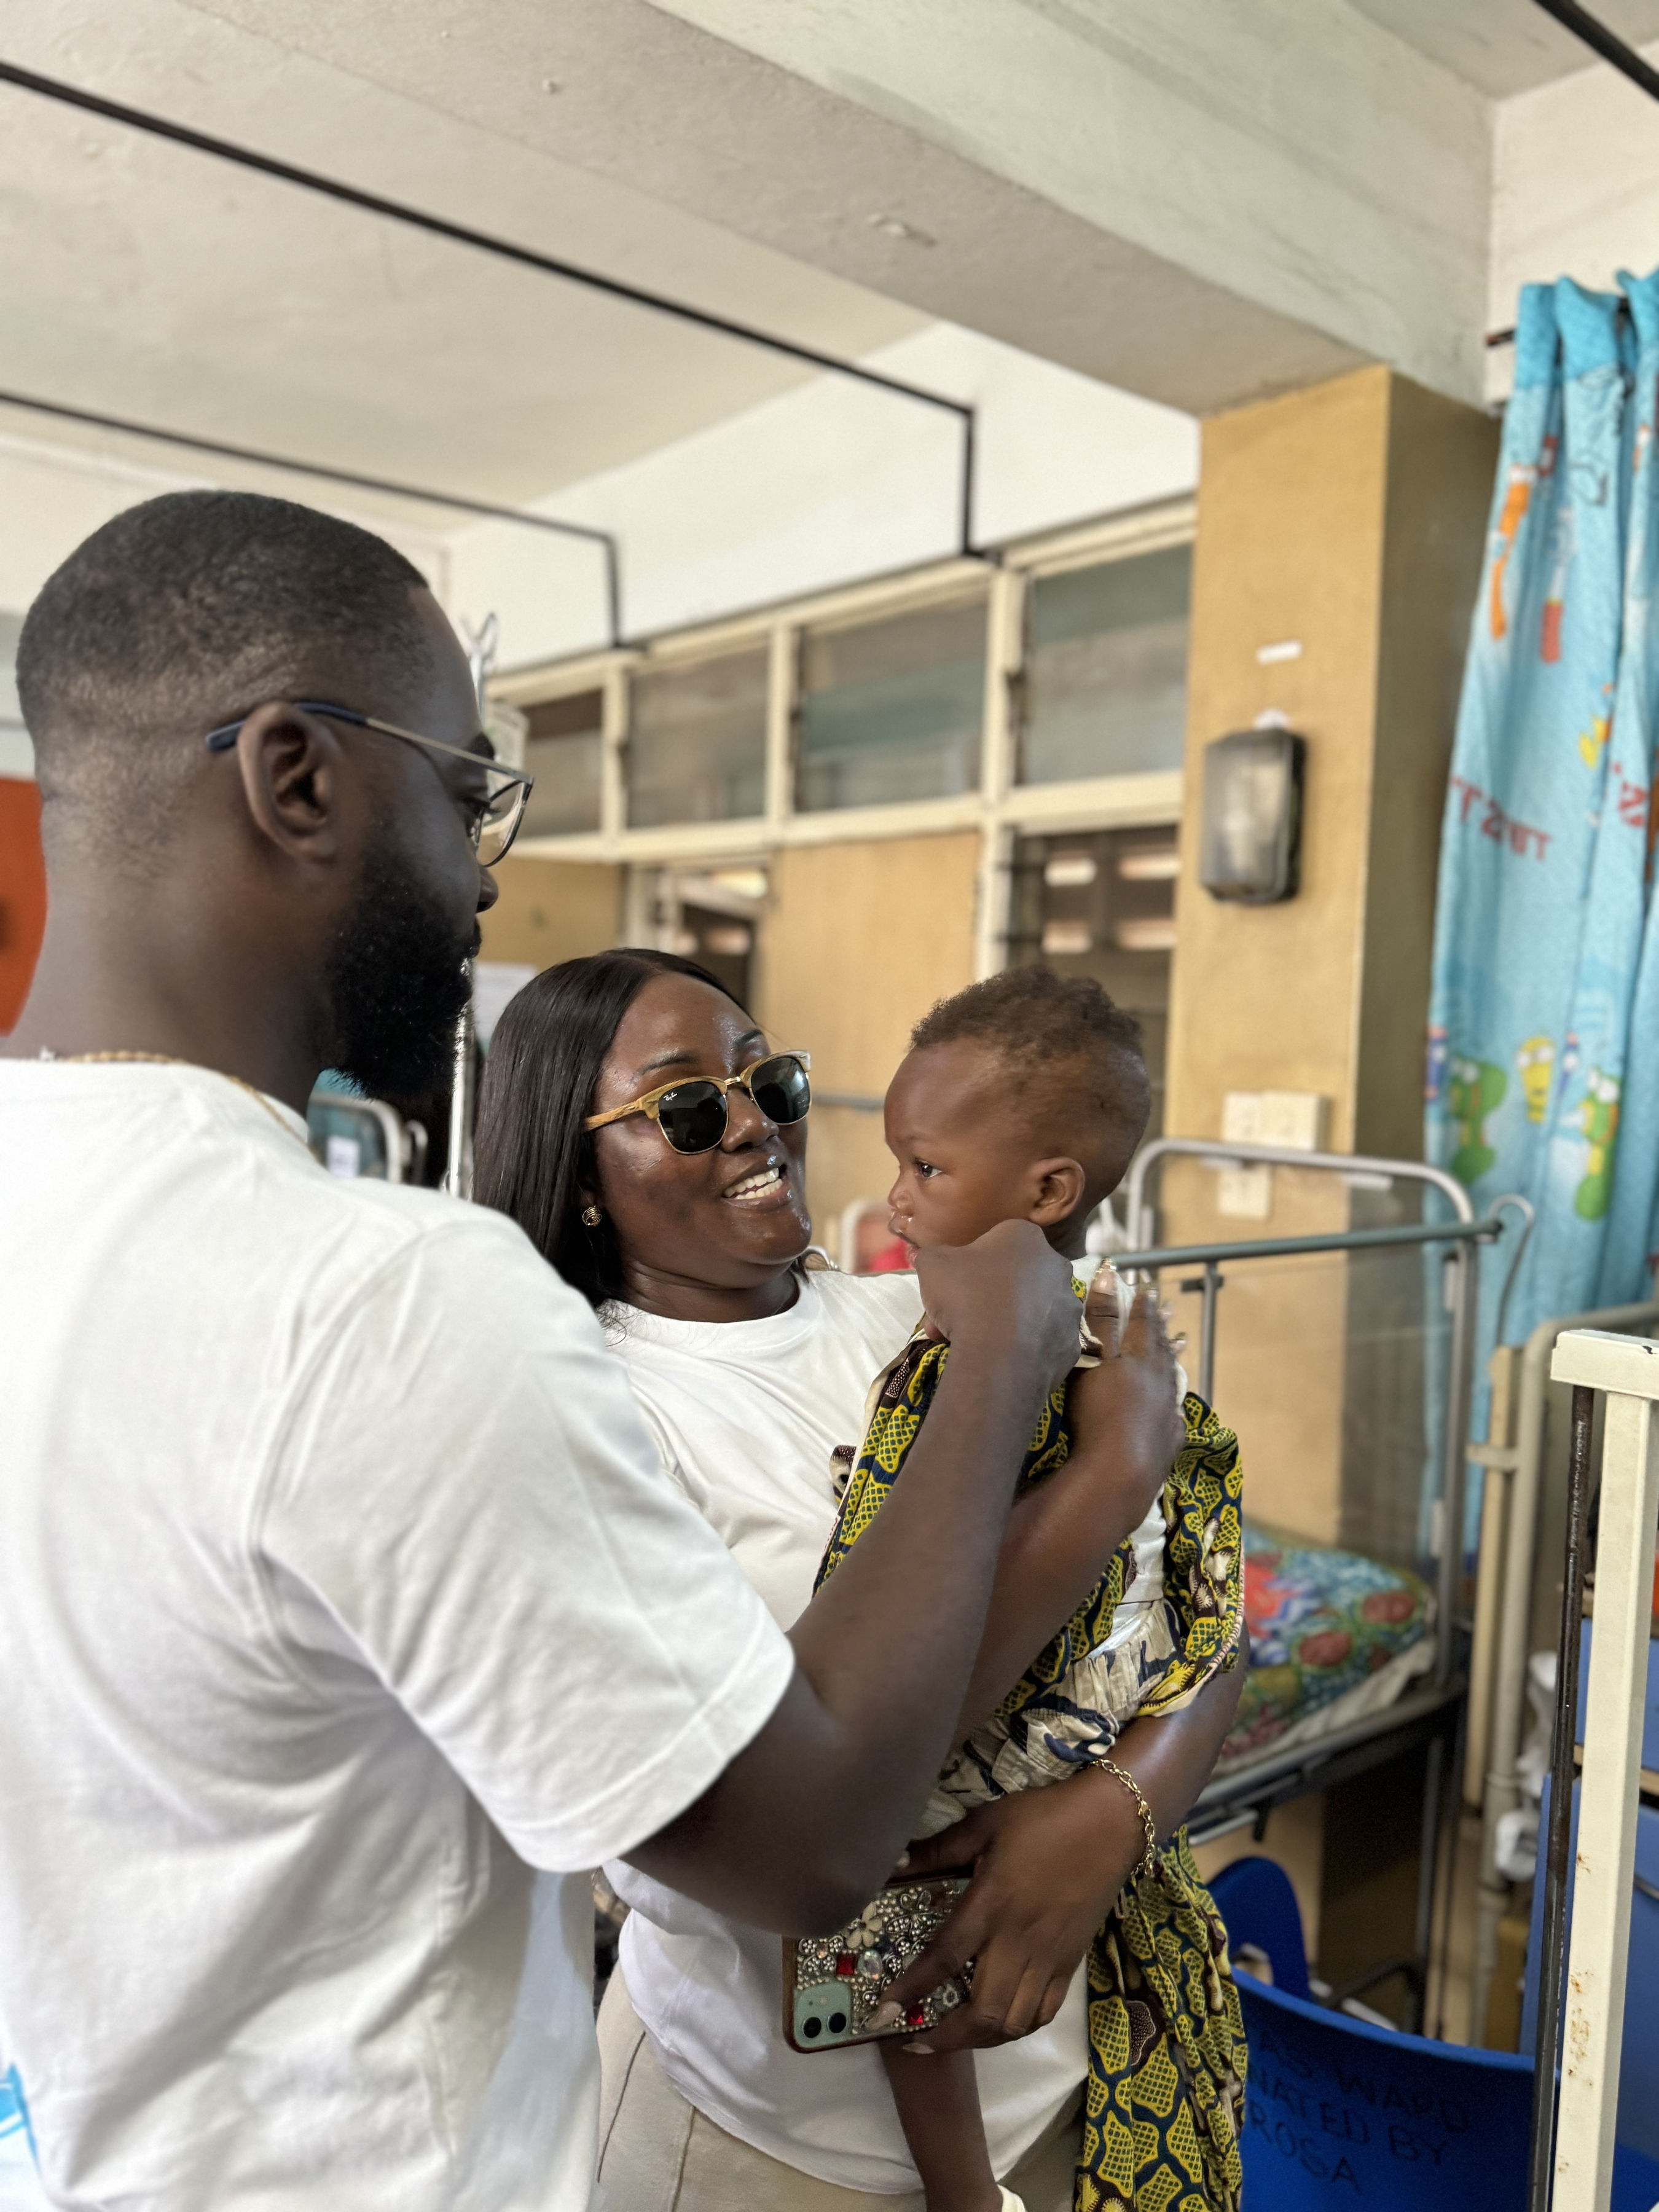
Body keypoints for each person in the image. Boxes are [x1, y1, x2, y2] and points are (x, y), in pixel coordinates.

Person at [0, 490, 1093, 2212]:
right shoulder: (382, 1297)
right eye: (467, 794)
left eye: (766, 1084)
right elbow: (807, 1843)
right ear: (298, 779)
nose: (484, 875)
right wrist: (1003, 1372)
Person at [471, 952, 1243, 2212]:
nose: (752, 1124)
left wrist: (1118, 1812)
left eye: (767, 1080)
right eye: (685, 1107)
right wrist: (1108, 1471)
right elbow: (824, 1789)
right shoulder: (590, 1420)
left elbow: (1195, 1617)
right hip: (771, 2151)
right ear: (579, 1174)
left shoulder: (929, 1316)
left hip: (1070, 2100)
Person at [816, 970, 1249, 2212]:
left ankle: (962, 2192)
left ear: (1050, 1190)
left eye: (926, 1168)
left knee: (894, 1935)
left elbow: (916, 1542)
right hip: (1091, 1712)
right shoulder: (1128, 1323)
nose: (899, 1198)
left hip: (992, 1719)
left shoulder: (986, 1332)